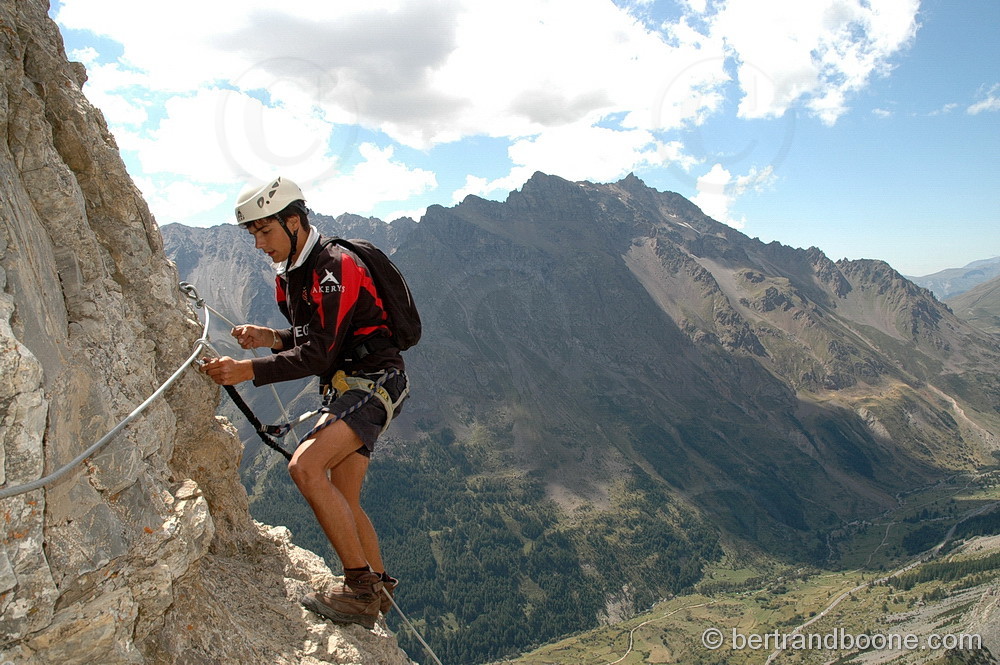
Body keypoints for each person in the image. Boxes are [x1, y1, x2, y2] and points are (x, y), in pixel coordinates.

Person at [199, 176, 408, 629]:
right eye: (252, 234)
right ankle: (381, 586)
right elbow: (318, 336)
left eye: (265, 231)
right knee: (345, 494)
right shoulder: (296, 273)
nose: (258, 243)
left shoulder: (334, 265)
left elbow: (319, 352)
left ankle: (359, 588)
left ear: (294, 221)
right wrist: (271, 337)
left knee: (305, 467)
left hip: (369, 382)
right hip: (359, 382)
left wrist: (247, 369)